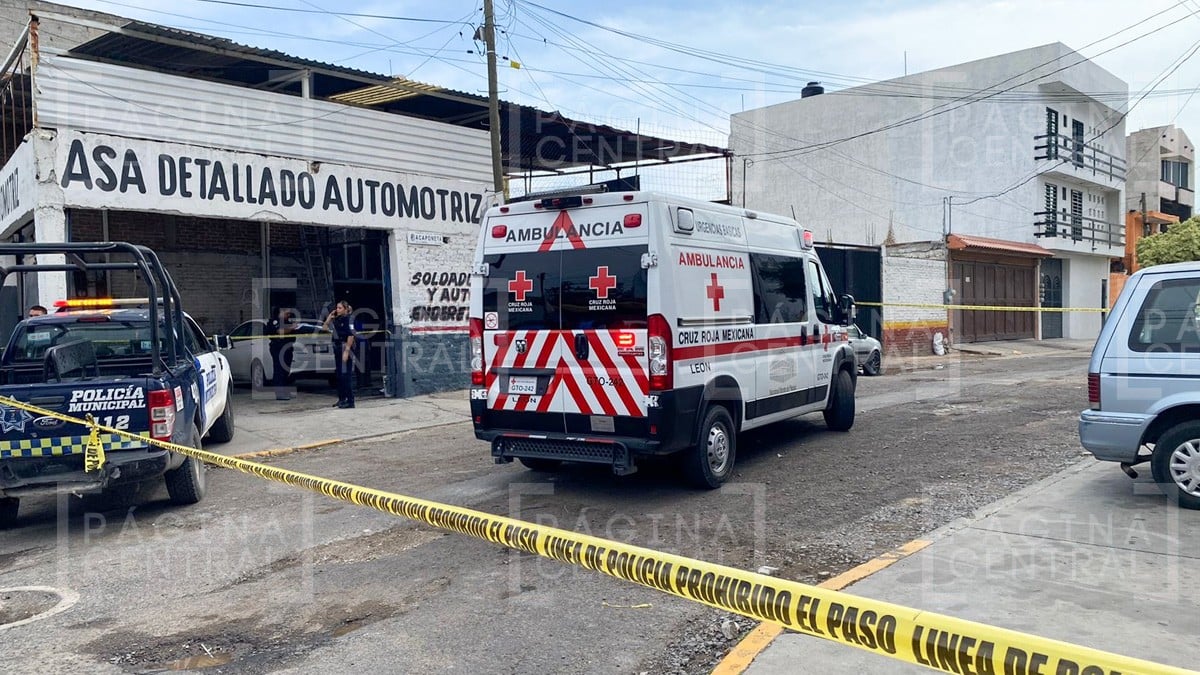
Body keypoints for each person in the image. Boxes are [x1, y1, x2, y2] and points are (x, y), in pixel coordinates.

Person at [323, 300, 357, 409]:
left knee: (345, 375)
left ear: (345, 309)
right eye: (337, 308)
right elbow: (324, 328)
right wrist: (329, 318)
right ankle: (342, 398)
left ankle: (350, 401)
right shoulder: (337, 319)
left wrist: (347, 351)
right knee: (339, 375)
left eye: (340, 308)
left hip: (345, 347)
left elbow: (351, 335)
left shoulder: (348, 319)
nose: (337, 310)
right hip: (337, 348)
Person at [267, 307, 296, 401]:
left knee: (286, 370)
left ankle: (285, 390)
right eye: (287, 313)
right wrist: (292, 327)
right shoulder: (274, 321)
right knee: (279, 370)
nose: (288, 315)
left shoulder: (288, 322)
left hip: (288, 348)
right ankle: (279, 393)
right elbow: (280, 332)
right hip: (278, 348)